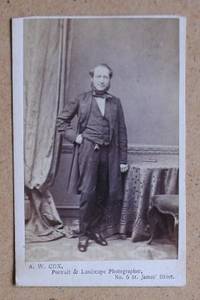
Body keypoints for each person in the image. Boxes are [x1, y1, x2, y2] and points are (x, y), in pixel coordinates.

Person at [57, 63, 128, 252]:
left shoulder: (116, 102)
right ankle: (83, 234)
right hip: (88, 151)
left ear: (110, 80)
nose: (102, 80)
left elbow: (121, 131)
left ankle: (95, 230)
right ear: (92, 79)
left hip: (110, 153)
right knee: (88, 193)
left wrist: (123, 160)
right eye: (99, 76)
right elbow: (61, 123)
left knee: (105, 193)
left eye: (106, 77)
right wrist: (76, 137)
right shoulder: (81, 99)